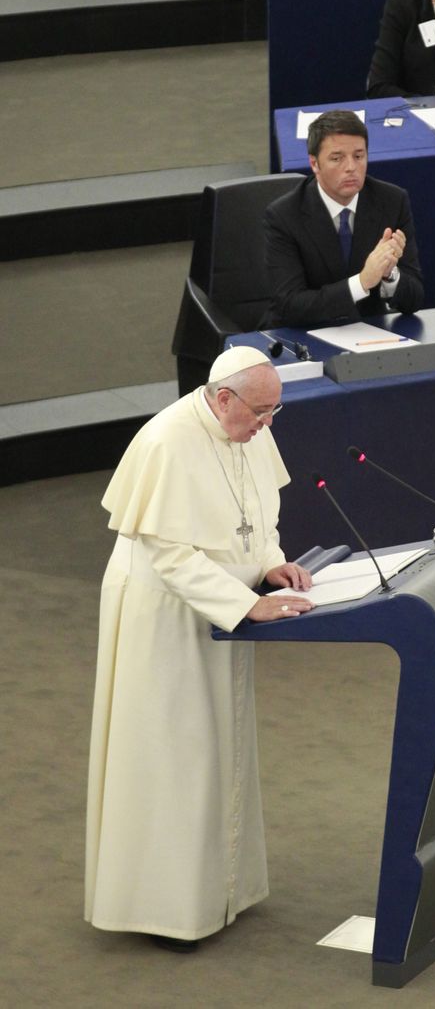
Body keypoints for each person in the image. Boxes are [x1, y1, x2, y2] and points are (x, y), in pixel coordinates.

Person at [85, 347, 314, 952]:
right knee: (173, 754)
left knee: (220, 745)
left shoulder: (250, 428)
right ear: (221, 398)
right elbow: (171, 554)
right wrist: (246, 605)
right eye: (259, 413)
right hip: (163, 617)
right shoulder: (166, 442)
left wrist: (271, 565)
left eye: (274, 413)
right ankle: (165, 911)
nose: (266, 425)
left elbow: (258, 516)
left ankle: (224, 890)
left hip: (219, 609)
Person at [262, 109, 424, 327]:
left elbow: (414, 300)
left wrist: (388, 273)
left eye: (359, 156)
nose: (351, 167)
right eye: (337, 158)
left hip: (370, 335)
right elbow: (290, 306)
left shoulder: (392, 201)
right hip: (305, 336)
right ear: (314, 164)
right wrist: (362, 282)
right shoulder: (283, 216)